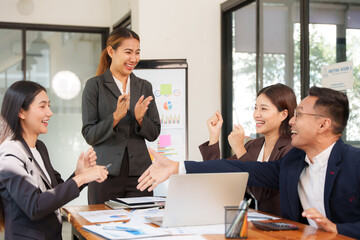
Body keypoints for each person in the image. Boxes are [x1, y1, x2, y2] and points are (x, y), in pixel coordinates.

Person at [137, 86, 360, 239]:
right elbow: (241, 168)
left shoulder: (355, 162)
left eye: (299, 115)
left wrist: (338, 228)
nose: (292, 120)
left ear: (323, 125)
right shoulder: (294, 161)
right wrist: (178, 166)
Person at [0, 81, 108, 240]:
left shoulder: (40, 147)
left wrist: (80, 174)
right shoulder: (9, 153)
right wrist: (81, 178)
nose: (50, 112)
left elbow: (54, 195)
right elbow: (35, 206)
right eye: (42, 106)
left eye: (49, 106)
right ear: (21, 112)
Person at [82, 28, 161, 204]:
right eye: (128, 52)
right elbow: (89, 134)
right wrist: (115, 117)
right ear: (111, 51)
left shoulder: (144, 86)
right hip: (104, 173)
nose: (134, 58)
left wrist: (141, 119)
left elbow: (154, 132)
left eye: (137, 53)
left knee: (141, 227)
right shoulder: (95, 86)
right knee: (100, 226)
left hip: (140, 175)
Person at [199, 84, 296, 216]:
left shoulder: (292, 148)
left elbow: (261, 193)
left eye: (263, 109)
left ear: (283, 114)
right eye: (255, 108)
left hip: (283, 227)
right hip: (257, 224)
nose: (256, 115)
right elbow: (218, 175)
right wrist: (214, 136)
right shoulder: (254, 145)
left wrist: (239, 148)